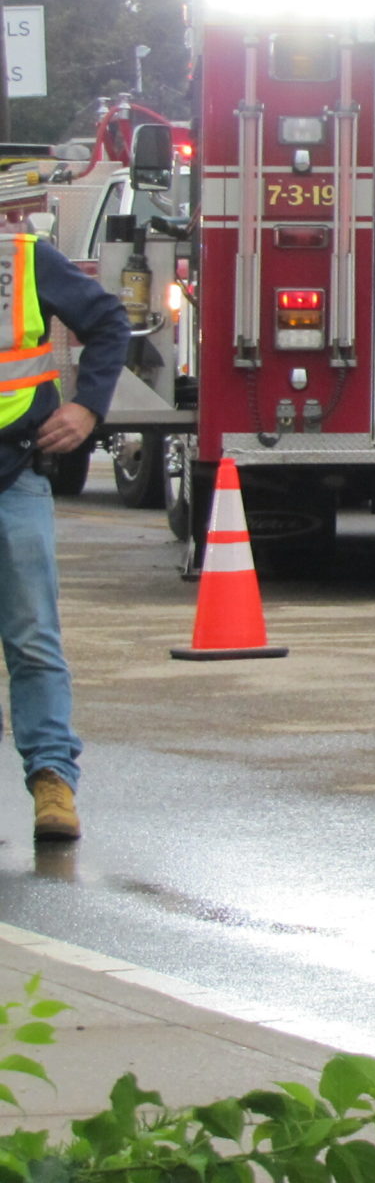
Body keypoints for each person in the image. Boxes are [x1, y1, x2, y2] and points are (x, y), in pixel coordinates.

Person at [0, 224, 130, 842]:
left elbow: (108, 321)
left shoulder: (21, 258)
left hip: (14, 474)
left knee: (31, 639)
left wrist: (87, 406)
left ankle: (52, 778)